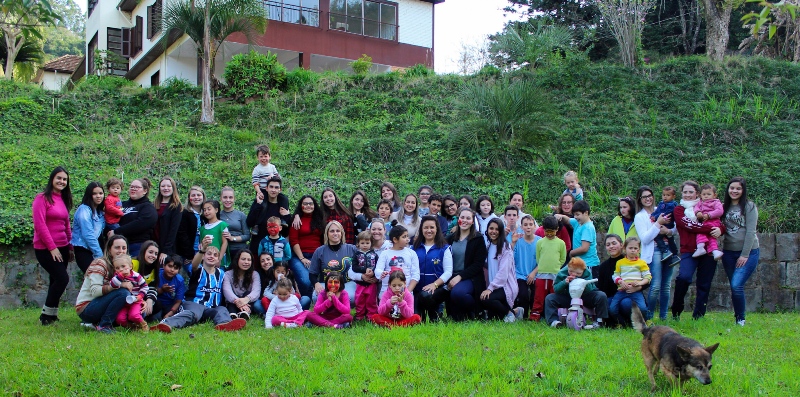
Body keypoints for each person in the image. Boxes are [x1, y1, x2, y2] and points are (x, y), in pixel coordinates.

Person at [151, 237, 247, 333]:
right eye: (208, 254)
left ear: (218, 259)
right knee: (192, 314)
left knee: (221, 310)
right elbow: (194, 265)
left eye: (215, 255)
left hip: (212, 307)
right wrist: (202, 250)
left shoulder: (222, 273)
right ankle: (166, 323)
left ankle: (224, 324)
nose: (211, 256)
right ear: (203, 257)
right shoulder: (198, 269)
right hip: (194, 304)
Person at [671, 181, 725, 321]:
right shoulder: (679, 210)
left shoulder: (708, 205)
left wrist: (721, 229)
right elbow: (689, 225)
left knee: (704, 283)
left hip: (708, 250)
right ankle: (676, 310)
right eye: (685, 192)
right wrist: (710, 229)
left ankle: (699, 316)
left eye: (691, 192)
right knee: (684, 278)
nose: (688, 195)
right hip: (689, 250)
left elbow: (720, 222)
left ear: (697, 193)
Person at [33, 166, 74, 325]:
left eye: (64, 179)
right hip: (46, 248)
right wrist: (52, 247)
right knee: (62, 278)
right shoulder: (41, 198)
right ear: (52, 179)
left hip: (63, 246)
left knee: (55, 280)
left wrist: (69, 247)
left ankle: (51, 315)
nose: (62, 181)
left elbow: (66, 224)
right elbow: (40, 225)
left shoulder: (62, 199)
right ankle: (45, 315)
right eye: (59, 178)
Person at [721, 177, 760, 326]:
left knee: (737, 285)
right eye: (732, 188)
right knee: (734, 286)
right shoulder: (723, 207)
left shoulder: (749, 206)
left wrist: (744, 254)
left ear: (743, 190)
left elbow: (751, 232)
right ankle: (738, 317)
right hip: (729, 253)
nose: (734, 191)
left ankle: (741, 320)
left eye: (738, 188)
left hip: (748, 252)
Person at [75, 235, 135, 333]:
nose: (121, 251)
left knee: (132, 303)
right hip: (87, 308)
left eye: (124, 248)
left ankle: (94, 323)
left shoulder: (124, 266)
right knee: (123, 293)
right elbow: (95, 292)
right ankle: (104, 326)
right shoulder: (100, 264)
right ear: (109, 249)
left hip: (102, 304)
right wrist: (119, 285)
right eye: (117, 247)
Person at [634, 186, 675, 321]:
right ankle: (649, 316)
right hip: (654, 252)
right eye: (644, 197)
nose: (648, 199)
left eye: (650, 195)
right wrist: (658, 224)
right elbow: (645, 238)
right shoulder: (639, 217)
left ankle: (664, 317)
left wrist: (667, 231)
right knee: (656, 286)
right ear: (640, 200)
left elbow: (674, 228)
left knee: (666, 286)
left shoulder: (662, 208)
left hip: (668, 250)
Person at [446, 207, 488, 321]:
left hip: (470, 277)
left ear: (472, 221)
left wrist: (460, 277)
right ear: (458, 219)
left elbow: (478, 264)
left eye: (468, 218)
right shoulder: (450, 238)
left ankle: (475, 310)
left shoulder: (478, 238)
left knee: (458, 293)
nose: (464, 220)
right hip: (451, 275)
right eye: (462, 217)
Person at [545, 257, 608, 329]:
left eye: (578, 273)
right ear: (568, 267)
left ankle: (600, 321)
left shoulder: (587, 272)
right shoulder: (562, 272)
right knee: (550, 298)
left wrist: (582, 282)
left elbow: (590, 288)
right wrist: (564, 282)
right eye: (571, 271)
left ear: (583, 270)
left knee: (601, 295)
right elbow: (556, 289)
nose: (574, 274)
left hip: (585, 296)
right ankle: (553, 321)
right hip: (568, 296)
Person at [480, 219, 522, 322]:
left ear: (501, 231)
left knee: (486, 299)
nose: (493, 231)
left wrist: (490, 288)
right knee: (493, 318)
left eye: (497, 229)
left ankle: (510, 313)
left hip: (505, 286)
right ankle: (516, 311)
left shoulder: (505, 247)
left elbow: (503, 273)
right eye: (491, 228)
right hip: (494, 286)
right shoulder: (489, 246)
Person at [412, 216, 452, 322]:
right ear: (421, 229)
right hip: (417, 290)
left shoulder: (444, 248)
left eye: (432, 227)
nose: (429, 230)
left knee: (426, 295)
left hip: (437, 289)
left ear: (437, 229)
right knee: (417, 320)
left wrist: (435, 284)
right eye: (426, 227)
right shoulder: (414, 248)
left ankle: (435, 314)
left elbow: (448, 272)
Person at [309, 221, 359, 305]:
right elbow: (312, 273)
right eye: (332, 231)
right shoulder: (319, 251)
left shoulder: (352, 249)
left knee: (350, 297)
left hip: (347, 283)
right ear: (327, 234)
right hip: (326, 284)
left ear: (342, 233)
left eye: (338, 231)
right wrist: (316, 284)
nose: (335, 233)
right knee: (316, 297)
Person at [596, 234, 637, 328]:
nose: (611, 246)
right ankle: (621, 324)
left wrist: (637, 287)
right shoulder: (603, 266)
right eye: (608, 244)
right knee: (607, 303)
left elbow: (645, 280)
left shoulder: (630, 262)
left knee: (625, 304)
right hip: (612, 297)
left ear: (622, 245)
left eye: (614, 243)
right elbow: (601, 288)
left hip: (629, 295)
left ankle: (631, 322)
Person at [109, 177, 158, 257]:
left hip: (137, 246)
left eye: (137, 187)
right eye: (131, 187)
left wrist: (116, 231)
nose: (133, 189)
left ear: (145, 191)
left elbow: (140, 224)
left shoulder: (148, 207)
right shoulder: (122, 204)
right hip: (118, 246)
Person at [609, 237, 651, 327]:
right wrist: (620, 281)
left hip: (636, 291)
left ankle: (645, 321)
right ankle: (622, 323)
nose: (633, 250)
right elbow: (615, 275)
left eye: (635, 248)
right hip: (621, 291)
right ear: (624, 249)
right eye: (630, 248)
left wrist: (639, 284)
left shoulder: (642, 263)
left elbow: (648, 277)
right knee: (612, 309)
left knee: (643, 308)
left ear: (639, 250)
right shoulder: (620, 262)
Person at [288, 195, 324, 299]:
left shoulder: (319, 219)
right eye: (305, 203)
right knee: (305, 280)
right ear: (301, 206)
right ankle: (305, 303)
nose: (308, 206)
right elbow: (294, 240)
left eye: (310, 203)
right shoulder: (296, 220)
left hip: (317, 256)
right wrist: (302, 258)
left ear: (314, 205)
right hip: (299, 256)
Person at [531, 216, 566, 321]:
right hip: (542, 274)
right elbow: (538, 257)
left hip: (555, 274)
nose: (549, 234)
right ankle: (535, 315)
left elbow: (563, 258)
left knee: (554, 295)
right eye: (547, 231)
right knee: (539, 296)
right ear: (543, 230)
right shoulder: (540, 242)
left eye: (552, 231)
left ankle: (553, 315)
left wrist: (556, 266)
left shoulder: (561, 243)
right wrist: (543, 266)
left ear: (557, 230)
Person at [247, 176, 291, 254]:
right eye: (271, 187)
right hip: (258, 246)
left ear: (280, 190)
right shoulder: (260, 202)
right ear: (266, 188)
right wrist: (258, 205)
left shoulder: (283, 207)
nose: (273, 190)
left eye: (276, 187)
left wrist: (287, 216)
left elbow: (285, 232)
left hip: (276, 249)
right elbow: (249, 222)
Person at [556, 200, 600, 277]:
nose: (575, 217)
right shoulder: (579, 223)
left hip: (588, 264)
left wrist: (571, 253)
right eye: (574, 214)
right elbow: (568, 220)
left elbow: (584, 248)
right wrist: (561, 216)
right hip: (580, 264)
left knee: (588, 287)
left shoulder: (587, 227)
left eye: (577, 214)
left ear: (586, 213)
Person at [375, 225, 420, 296]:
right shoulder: (385, 253)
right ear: (395, 239)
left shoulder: (412, 253)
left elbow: (416, 275)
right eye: (404, 237)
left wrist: (407, 292)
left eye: (407, 236)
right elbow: (378, 270)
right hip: (387, 294)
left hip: (406, 294)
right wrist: (382, 273)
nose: (407, 239)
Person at [71, 182, 105, 274]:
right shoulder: (84, 210)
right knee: (93, 278)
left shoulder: (100, 212)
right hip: (84, 249)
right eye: (94, 194)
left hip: (94, 250)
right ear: (89, 195)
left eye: (101, 193)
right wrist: (99, 255)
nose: (98, 196)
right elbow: (88, 234)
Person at [109, 254, 149, 331]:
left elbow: (145, 287)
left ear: (130, 266)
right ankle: (132, 327)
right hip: (124, 302)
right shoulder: (117, 276)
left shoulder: (136, 276)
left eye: (123, 266)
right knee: (120, 319)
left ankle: (144, 325)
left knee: (134, 315)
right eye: (117, 268)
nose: (121, 269)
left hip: (135, 300)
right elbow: (112, 284)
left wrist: (140, 296)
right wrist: (120, 276)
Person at [511, 214, 539, 319]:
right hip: (520, 275)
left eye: (530, 224)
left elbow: (543, 261)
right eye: (525, 225)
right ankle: (523, 315)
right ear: (521, 227)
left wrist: (533, 273)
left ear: (534, 226)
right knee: (523, 294)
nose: (528, 227)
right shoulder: (518, 241)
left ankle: (534, 315)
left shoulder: (540, 241)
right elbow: (510, 257)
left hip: (535, 273)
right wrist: (513, 243)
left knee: (535, 294)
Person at [349, 231, 379, 320]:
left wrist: (373, 272)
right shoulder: (356, 255)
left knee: (371, 300)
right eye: (362, 243)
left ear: (371, 243)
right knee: (359, 300)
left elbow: (378, 266)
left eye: (367, 243)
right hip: (360, 283)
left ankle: (371, 316)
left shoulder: (374, 255)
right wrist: (364, 270)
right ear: (358, 244)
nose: (365, 245)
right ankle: (359, 315)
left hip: (371, 283)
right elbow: (354, 267)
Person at [223, 249, 261, 320]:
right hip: (232, 302)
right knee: (231, 301)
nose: (246, 262)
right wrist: (238, 301)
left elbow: (256, 291)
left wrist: (246, 299)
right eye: (243, 259)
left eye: (249, 260)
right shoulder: (227, 274)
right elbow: (226, 290)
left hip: (248, 301)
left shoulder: (255, 274)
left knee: (248, 294)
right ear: (237, 260)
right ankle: (233, 315)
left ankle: (244, 314)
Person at [153, 176, 182, 265]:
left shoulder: (176, 206)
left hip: (166, 248)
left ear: (173, 188)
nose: (166, 188)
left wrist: (165, 251)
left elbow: (173, 230)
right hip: (153, 245)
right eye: (163, 186)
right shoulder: (153, 205)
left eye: (169, 186)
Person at [176, 185, 205, 273]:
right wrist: (190, 255)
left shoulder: (205, 214)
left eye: (199, 195)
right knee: (195, 273)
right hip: (188, 254)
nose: (196, 197)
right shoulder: (184, 213)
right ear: (189, 198)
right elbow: (182, 235)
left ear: (203, 197)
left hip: (204, 253)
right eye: (193, 195)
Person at [692, 184, 724, 259]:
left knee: (701, 231)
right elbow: (696, 208)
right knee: (711, 237)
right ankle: (715, 251)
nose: (706, 196)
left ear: (714, 195)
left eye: (709, 194)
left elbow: (720, 211)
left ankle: (700, 247)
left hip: (713, 221)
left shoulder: (716, 202)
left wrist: (709, 215)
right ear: (700, 195)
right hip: (704, 221)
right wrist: (698, 212)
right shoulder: (700, 202)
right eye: (704, 194)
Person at [650, 186, 680, 265]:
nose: (665, 197)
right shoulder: (661, 203)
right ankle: (675, 255)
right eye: (664, 195)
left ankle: (665, 251)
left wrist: (656, 217)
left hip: (668, 224)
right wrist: (653, 215)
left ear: (673, 196)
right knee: (670, 239)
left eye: (668, 195)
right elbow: (657, 211)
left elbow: (667, 214)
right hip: (662, 223)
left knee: (657, 237)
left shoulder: (672, 205)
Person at [131, 240, 160, 321]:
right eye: (150, 252)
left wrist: (150, 300)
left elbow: (152, 287)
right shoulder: (133, 263)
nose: (153, 256)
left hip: (142, 297)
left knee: (157, 304)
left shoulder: (154, 269)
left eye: (156, 254)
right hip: (130, 297)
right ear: (143, 251)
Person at [220, 187, 250, 258]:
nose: (228, 200)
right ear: (221, 198)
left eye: (230, 197)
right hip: (223, 251)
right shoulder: (217, 215)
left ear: (234, 199)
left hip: (239, 250)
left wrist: (233, 238)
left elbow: (247, 236)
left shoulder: (241, 215)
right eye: (225, 197)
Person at [154, 255, 185, 322]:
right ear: (164, 265)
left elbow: (178, 301)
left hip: (170, 306)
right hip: (156, 303)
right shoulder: (157, 274)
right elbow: (150, 292)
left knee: (181, 309)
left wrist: (170, 314)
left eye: (175, 268)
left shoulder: (179, 280)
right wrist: (162, 290)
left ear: (179, 270)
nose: (172, 270)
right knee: (155, 318)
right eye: (170, 266)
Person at [200, 200, 229, 268]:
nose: (206, 212)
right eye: (204, 210)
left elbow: (225, 243)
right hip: (206, 261)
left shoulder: (222, 225)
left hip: (218, 260)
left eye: (209, 209)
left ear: (216, 210)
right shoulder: (202, 228)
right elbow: (201, 244)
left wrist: (219, 259)